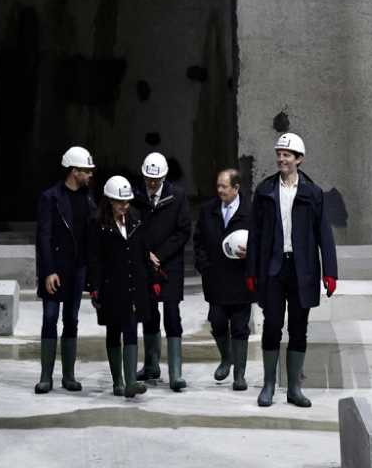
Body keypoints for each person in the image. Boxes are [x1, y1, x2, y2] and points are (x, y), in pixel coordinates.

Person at [243, 132, 337, 408]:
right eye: (279, 154)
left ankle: (294, 388)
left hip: (302, 269)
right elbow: (255, 233)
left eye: (287, 155)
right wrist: (251, 272)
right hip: (273, 268)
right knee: (272, 326)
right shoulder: (264, 190)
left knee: (299, 328)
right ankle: (270, 384)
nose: (281, 159)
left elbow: (324, 234)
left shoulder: (313, 193)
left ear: (299, 159)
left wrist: (329, 272)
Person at [33, 145, 97, 394]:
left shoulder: (88, 198)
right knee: (50, 318)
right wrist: (48, 271)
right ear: (74, 171)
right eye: (86, 171)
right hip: (56, 270)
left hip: (77, 269)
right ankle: (45, 376)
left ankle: (68, 375)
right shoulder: (51, 197)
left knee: (71, 320)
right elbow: (44, 236)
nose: (90, 175)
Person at [87, 175, 152, 398]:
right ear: (109, 201)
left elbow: (142, 251)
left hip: (133, 284)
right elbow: (94, 259)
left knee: (131, 328)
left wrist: (150, 279)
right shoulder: (98, 225)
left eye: (127, 202)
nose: (124, 206)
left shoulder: (136, 220)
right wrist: (94, 288)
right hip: (110, 287)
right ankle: (118, 381)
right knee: (114, 331)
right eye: (119, 202)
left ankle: (131, 381)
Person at [133, 151, 192, 390]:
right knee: (148, 314)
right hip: (144, 262)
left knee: (171, 313)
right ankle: (151, 365)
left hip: (170, 265)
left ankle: (175, 372)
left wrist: (161, 254)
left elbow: (183, 230)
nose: (152, 183)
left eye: (156, 180)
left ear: (165, 177)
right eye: (148, 179)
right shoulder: (137, 197)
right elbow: (133, 227)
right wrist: (145, 254)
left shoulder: (176, 196)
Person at [193, 166, 253, 388]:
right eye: (218, 185)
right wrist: (204, 266)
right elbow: (198, 240)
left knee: (239, 327)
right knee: (218, 323)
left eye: (224, 186)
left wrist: (252, 254)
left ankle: (239, 374)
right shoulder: (208, 210)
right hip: (215, 279)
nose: (219, 190)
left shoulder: (250, 211)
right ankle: (226, 358)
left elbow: (261, 239)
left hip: (240, 280)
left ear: (236, 188)